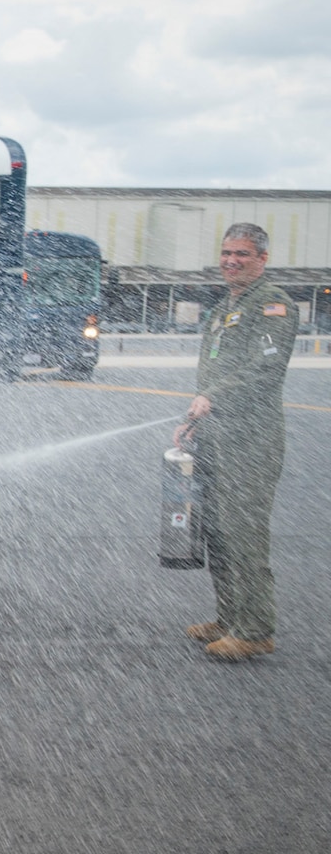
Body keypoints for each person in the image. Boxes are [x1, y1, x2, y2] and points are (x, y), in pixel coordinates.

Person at [174, 222, 298, 660]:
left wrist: (213, 397)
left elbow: (263, 370)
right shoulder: (227, 304)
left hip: (251, 439)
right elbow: (216, 369)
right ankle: (230, 618)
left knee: (244, 533)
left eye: (242, 254)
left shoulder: (272, 305)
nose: (231, 261)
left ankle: (256, 629)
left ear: (263, 259)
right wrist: (193, 419)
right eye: (227, 253)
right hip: (216, 433)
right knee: (219, 533)